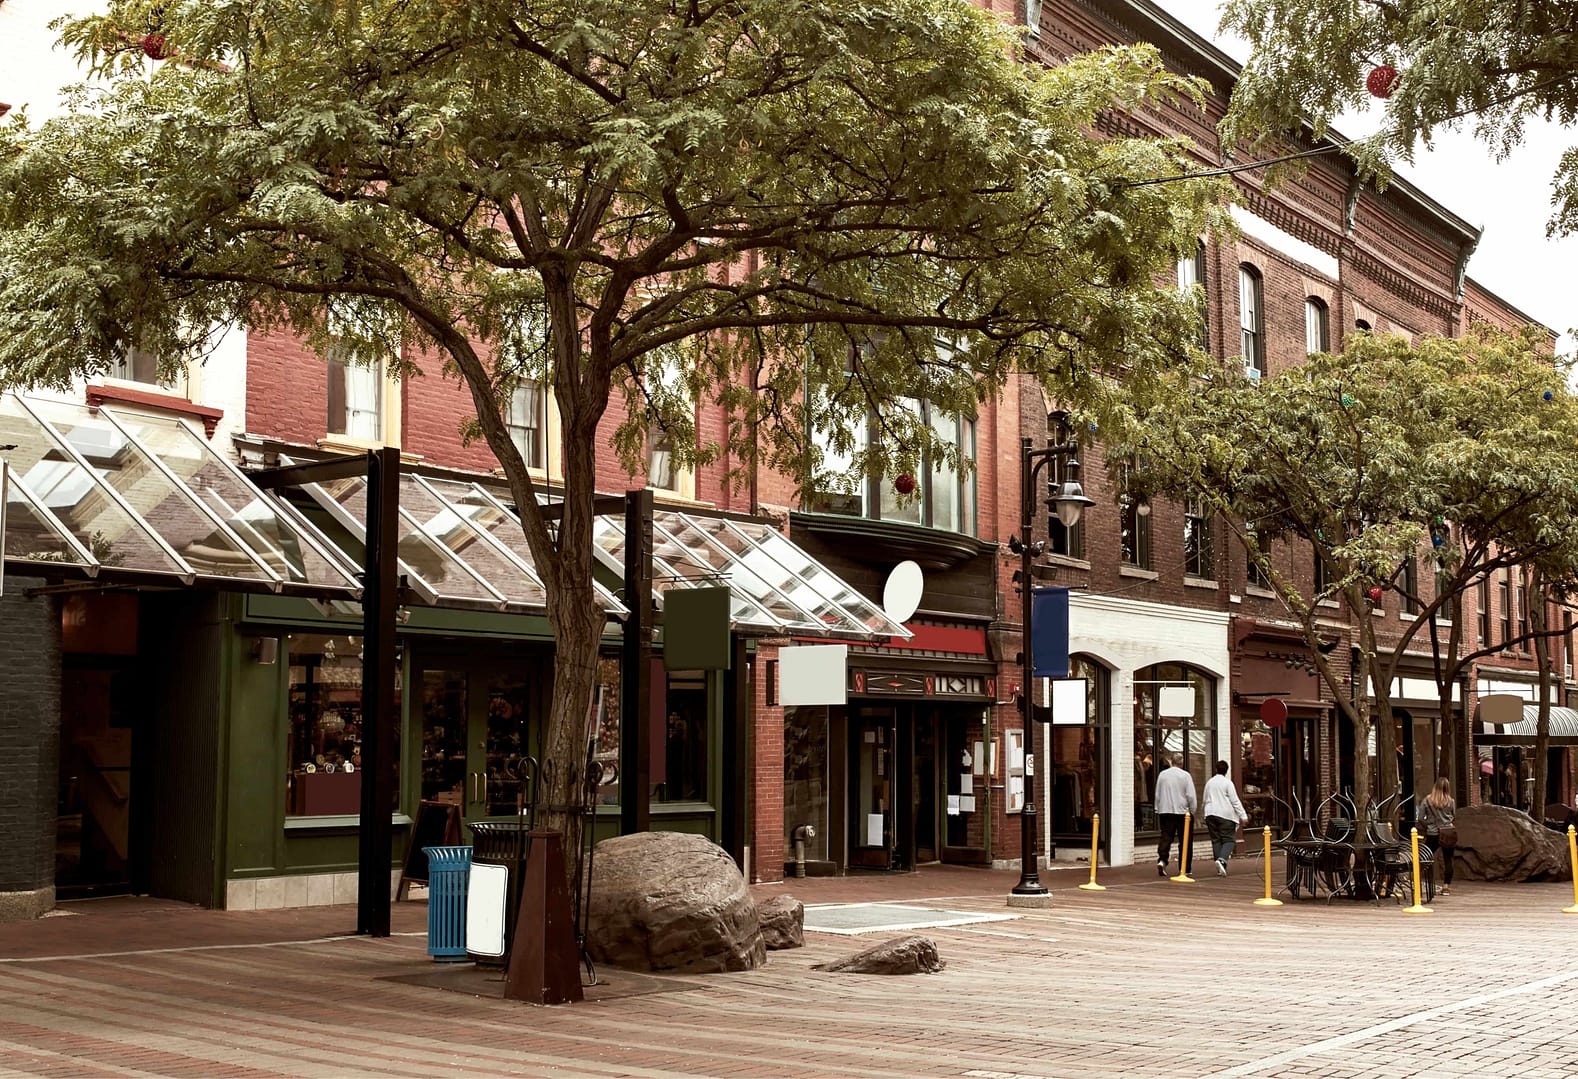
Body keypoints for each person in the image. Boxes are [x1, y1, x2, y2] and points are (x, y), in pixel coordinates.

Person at [1202, 760, 1249, 876]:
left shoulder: (1209, 783)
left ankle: (1220, 867)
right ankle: (1222, 860)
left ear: (1216, 769)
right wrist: (1243, 816)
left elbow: (1204, 800)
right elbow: (1235, 801)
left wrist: (1204, 815)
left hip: (1210, 814)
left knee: (1216, 840)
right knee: (1229, 840)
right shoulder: (1228, 783)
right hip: (1225, 815)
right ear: (1226, 771)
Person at [1154, 756, 1198, 876]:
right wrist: (1192, 810)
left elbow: (1158, 793)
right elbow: (1191, 796)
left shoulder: (1162, 775)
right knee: (1185, 841)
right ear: (1182, 763)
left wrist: (1158, 808)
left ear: (1171, 762)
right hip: (1182, 812)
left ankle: (1162, 860)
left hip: (1165, 811)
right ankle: (1185, 867)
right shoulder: (1185, 776)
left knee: (1166, 837)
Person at [1418, 777, 1458, 895]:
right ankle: (1446, 887)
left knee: (1423, 857)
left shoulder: (1427, 800)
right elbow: (1453, 816)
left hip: (1433, 833)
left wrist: (1428, 826)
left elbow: (1420, 818)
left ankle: (1417, 881)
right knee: (1448, 860)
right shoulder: (1451, 801)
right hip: (1448, 832)